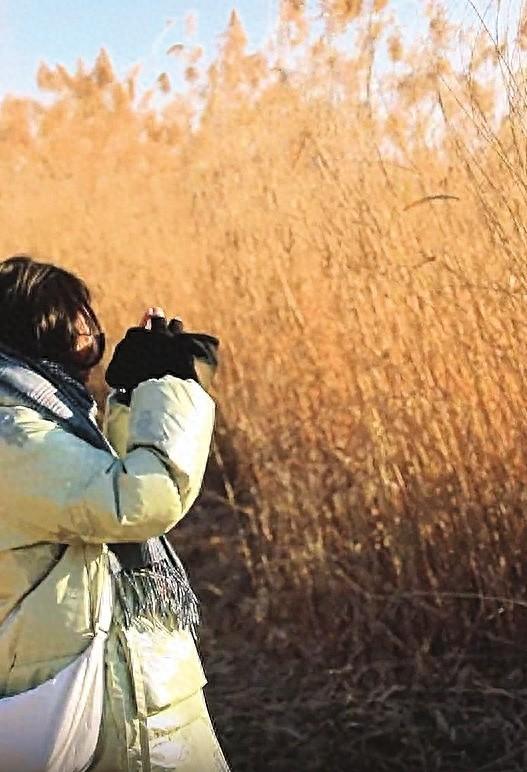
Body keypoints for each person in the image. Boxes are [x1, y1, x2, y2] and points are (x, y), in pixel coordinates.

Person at [0, 254, 230, 771]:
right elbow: (140, 500)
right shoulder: (12, 431)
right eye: (77, 317)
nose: (90, 334)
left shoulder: (42, 410)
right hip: (97, 701)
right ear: (42, 328)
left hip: (125, 689)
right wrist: (172, 385)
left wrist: (131, 394)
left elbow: (101, 482)